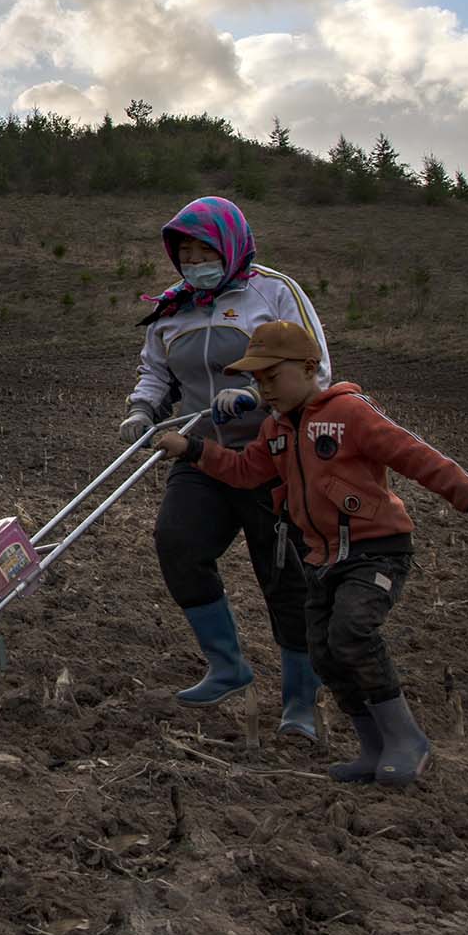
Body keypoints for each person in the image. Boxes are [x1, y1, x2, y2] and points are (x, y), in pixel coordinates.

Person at [151, 320, 468, 786]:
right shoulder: (275, 429)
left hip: (375, 550)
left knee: (352, 634)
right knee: (322, 650)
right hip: (322, 558)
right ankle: (372, 745)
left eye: (272, 377)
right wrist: (195, 450)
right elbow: (245, 471)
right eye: (256, 380)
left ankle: (406, 739)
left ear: (308, 367)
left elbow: (416, 455)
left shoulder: (348, 412)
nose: (264, 388)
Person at [120, 196, 331, 739]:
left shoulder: (274, 291)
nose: (194, 262)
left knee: (284, 577)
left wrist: (254, 396)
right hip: (201, 452)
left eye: (204, 250)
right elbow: (155, 371)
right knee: (179, 545)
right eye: (185, 253)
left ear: (231, 246)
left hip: (273, 456)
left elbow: (317, 370)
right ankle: (227, 666)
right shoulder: (173, 307)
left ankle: (300, 704)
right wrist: (142, 410)